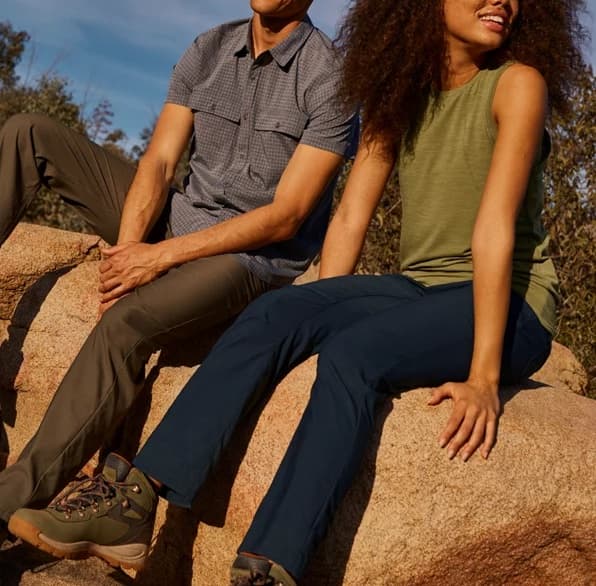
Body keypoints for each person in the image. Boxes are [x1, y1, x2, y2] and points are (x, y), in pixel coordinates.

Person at [7, 0, 586, 584]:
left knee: (356, 355)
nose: (502, 2)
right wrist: (318, 308)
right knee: (278, 312)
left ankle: (270, 565)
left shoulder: (518, 85)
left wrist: (485, 379)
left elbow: (494, 230)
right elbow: (351, 216)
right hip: (421, 287)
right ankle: (135, 501)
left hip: (511, 302)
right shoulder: (396, 95)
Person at [0, 0, 356, 538]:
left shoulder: (330, 78)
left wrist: (158, 258)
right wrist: (128, 251)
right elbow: (161, 162)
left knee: (128, 324)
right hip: (178, 218)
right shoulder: (209, 46)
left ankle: (11, 499)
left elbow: (286, 218)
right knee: (29, 132)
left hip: (249, 260)